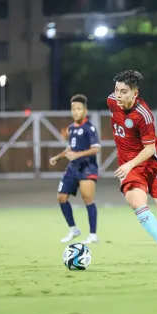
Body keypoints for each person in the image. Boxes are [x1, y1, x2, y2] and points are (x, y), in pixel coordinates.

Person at [107, 70, 157, 262]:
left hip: (152, 164)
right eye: (116, 90)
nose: (118, 95)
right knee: (136, 203)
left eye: (124, 91)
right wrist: (128, 166)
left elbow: (150, 149)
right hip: (130, 168)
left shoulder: (144, 116)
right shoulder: (111, 101)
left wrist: (130, 163)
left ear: (135, 94)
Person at [49, 94, 100, 244]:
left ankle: (92, 235)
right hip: (72, 168)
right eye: (73, 109)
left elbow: (95, 149)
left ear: (85, 110)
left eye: (79, 109)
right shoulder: (71, 128)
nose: (76, 112)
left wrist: (78, 154)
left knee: (87, 198)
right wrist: (58, 157)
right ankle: (73, 229)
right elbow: (72, 147)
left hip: (87, 168)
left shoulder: (89, 128)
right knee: (61, 197)